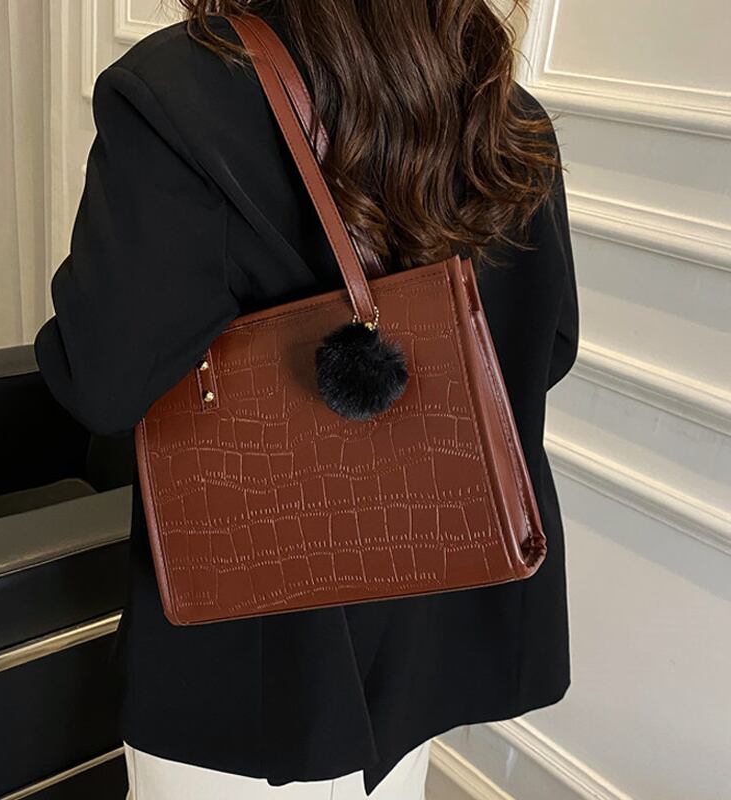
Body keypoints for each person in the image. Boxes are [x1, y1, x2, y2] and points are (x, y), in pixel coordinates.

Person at [34, 1, 579, 798]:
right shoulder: (501, 107)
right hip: (423, 619)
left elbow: (103, 381)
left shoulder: (178, 90)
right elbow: (548, 346)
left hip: (247, 658)